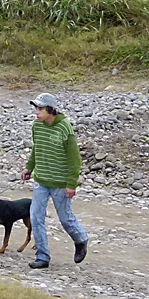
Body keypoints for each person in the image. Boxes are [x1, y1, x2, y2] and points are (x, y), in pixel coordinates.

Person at [21, 92, 89, 268]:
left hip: (60, 182)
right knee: (35, 217)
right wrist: (29, 167)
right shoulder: (37, 126)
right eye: (36, 108)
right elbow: (38, 148)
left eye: (41, 108)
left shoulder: (64, 127)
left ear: (50, 110)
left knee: (65, 218)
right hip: (41, 179)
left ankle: (81, 240)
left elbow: (75, 160)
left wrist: (71, 184)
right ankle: (42, 257)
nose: (37, 112)